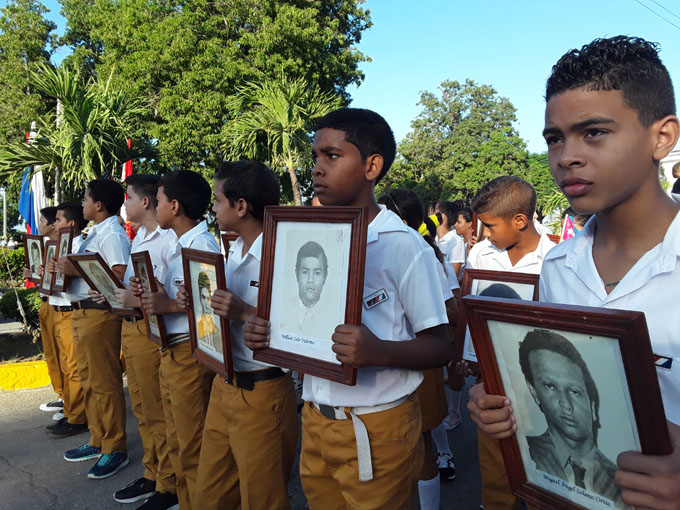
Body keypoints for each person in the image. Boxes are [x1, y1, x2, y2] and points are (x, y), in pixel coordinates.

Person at [468, 36, 680, 510]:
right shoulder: (560, 267)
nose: (567, 156)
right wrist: (503, 405)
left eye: (595, 132)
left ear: (661, 137)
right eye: (554, 138)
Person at [243, 108, 452, 509]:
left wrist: (379, 351)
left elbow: (440, 345)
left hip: (377, 425)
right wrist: (268, 333)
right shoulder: (306, 237)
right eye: (316, 157)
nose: (317, 169)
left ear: (371, 166)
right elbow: (302, 321)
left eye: (332, 156)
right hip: (317, 417)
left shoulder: (402, 245)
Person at [190, 160, 298, 510]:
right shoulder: (235, 249)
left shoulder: (284, 254)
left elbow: (302, 330)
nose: (213, 208)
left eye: (218, 200)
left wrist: (244, 313)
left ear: (240, 206)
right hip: (225, 384)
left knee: (262, 498)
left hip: (263, 390)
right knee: (211, 493)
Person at [464, 175, 556, 510]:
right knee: (496, 481)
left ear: (520, 221)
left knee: (543, 483)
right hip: (492, 389)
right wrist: (467, 355)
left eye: (489, 226)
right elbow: (471, 312)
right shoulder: (480, 255)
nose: (485, 234)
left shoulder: (557, 260)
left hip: (539, 395)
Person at [138, 170, 217, 510]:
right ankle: (185, 499)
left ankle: (198, 501)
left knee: (193, 442)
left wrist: (166, 304)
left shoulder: (202, 246)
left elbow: (210, 316)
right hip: (174, 349)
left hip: (191, 353)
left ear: (175, 205)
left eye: (158, 202)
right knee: (178, 436)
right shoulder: (180, 244)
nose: (154, 209)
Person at [378, 188, 457, 509]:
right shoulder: (380, 254)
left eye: (385, 215)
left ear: (404, 220)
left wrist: (421, 307)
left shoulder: (426, 257)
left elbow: (453, 313)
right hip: (390, 367)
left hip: (420, 364)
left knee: (423, 442)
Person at [103, 174, 178, 509]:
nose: (126, 205)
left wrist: (137, 296)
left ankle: (169, 484)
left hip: (152, 330)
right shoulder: (140, 237)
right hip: (132, 327)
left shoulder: (168, 239)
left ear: (145, 202)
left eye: (128, 198)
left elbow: (169, 292)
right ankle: (153, 472)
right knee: (143, 409)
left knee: (159, 411)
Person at [55, 180, 131, 480]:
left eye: (85, 199)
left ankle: (115, 447)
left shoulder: (113, 234)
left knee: (104, 383)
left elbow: (117, 275)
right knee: (89, 380)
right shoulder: (95, 232)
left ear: (99, 205)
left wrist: (72, 268)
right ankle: (98, 439)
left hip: (100, 315)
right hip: (83, 314)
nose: (83, 204)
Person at [518, 329, 621, 504]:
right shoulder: (521, 453)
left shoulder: (624, 481)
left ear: (593, 405)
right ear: (534, 392)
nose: (565, 403)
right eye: (550, 386)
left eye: (574, 391)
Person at [43, 203, 89, 439]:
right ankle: (71, 412)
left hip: (72, 308)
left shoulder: (80, 246)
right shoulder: (60, 246)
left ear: (72, 224)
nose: (55, 224)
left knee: (74, 367)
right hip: (59, 308)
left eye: (59, 220)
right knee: (67, 365)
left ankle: (78, 416)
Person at [29, 207, 63, 419]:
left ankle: (70, 401)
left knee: (65, 355)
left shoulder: (64, 245)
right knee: (52, 352)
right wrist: (35, 275)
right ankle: (62, 395)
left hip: (60, 304)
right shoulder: (47, 246)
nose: (38, 224)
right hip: (48, 301)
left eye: (42, 220)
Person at [434, 200, 466, 278]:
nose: (430, 217)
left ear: (442, 217)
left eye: (434, 213)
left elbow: (453, 275)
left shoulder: (455, 241)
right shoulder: (433, 239)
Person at [196, 271, 221, 353]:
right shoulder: (196, 328)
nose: (207, 304)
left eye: (209, 298)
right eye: (203, 298)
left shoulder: (219, 332)